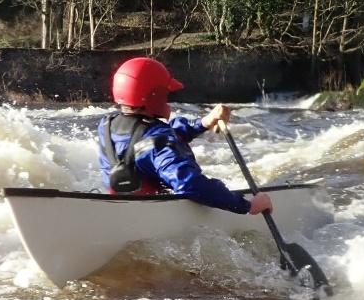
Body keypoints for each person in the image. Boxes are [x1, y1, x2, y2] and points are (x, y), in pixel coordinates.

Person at [96, 56, 272, 216]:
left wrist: (203, 123)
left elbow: (149, 142)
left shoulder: (106, 124)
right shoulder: (157, 140)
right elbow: (189, 183)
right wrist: (246, 205)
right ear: (154, 96)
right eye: (165, 94)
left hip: (121, 209)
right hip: (153, 215)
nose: (167, 99)